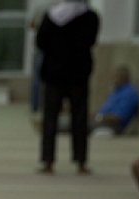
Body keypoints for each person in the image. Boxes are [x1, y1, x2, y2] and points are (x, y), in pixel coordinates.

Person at [36, 0, 99, 174]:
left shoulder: (51, 16)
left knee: (50, 118)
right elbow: (91, 41)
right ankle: (81, 161)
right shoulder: (90, 17)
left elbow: (41, 42)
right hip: (78, 75)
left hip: (53, 74)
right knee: (79, 119)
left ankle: (48, 161)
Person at [91, 66, 139, 135]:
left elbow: (117, 118)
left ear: (125, 77)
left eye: (117, 76)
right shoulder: (116, 92)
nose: (114, 79)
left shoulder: (129, 94)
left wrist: (97, 117)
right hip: (100, 120)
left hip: (112, 125)